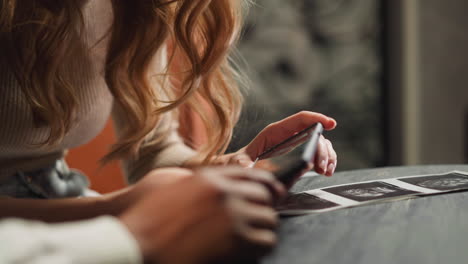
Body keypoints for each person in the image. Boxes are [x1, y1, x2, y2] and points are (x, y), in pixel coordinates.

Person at [0, 0, 337, 262]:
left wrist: (233, 165)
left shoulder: (139, 7)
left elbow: (155, 150)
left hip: (64, 206)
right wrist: (119, 210)